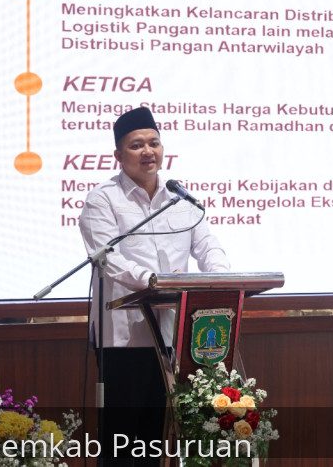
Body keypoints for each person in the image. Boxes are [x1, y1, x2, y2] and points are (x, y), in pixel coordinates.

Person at [79, 106, 230, 464]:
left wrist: (220, 276)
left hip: (174, 336)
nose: (148, 151)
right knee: (122, 442)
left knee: (160, 437)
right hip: (125, 338)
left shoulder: (181, 199)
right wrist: (150, 281)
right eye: (136, 145)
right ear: (118, 155)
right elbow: (107, 257)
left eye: (154, 143)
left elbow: (207, 245)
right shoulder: (103, 199)